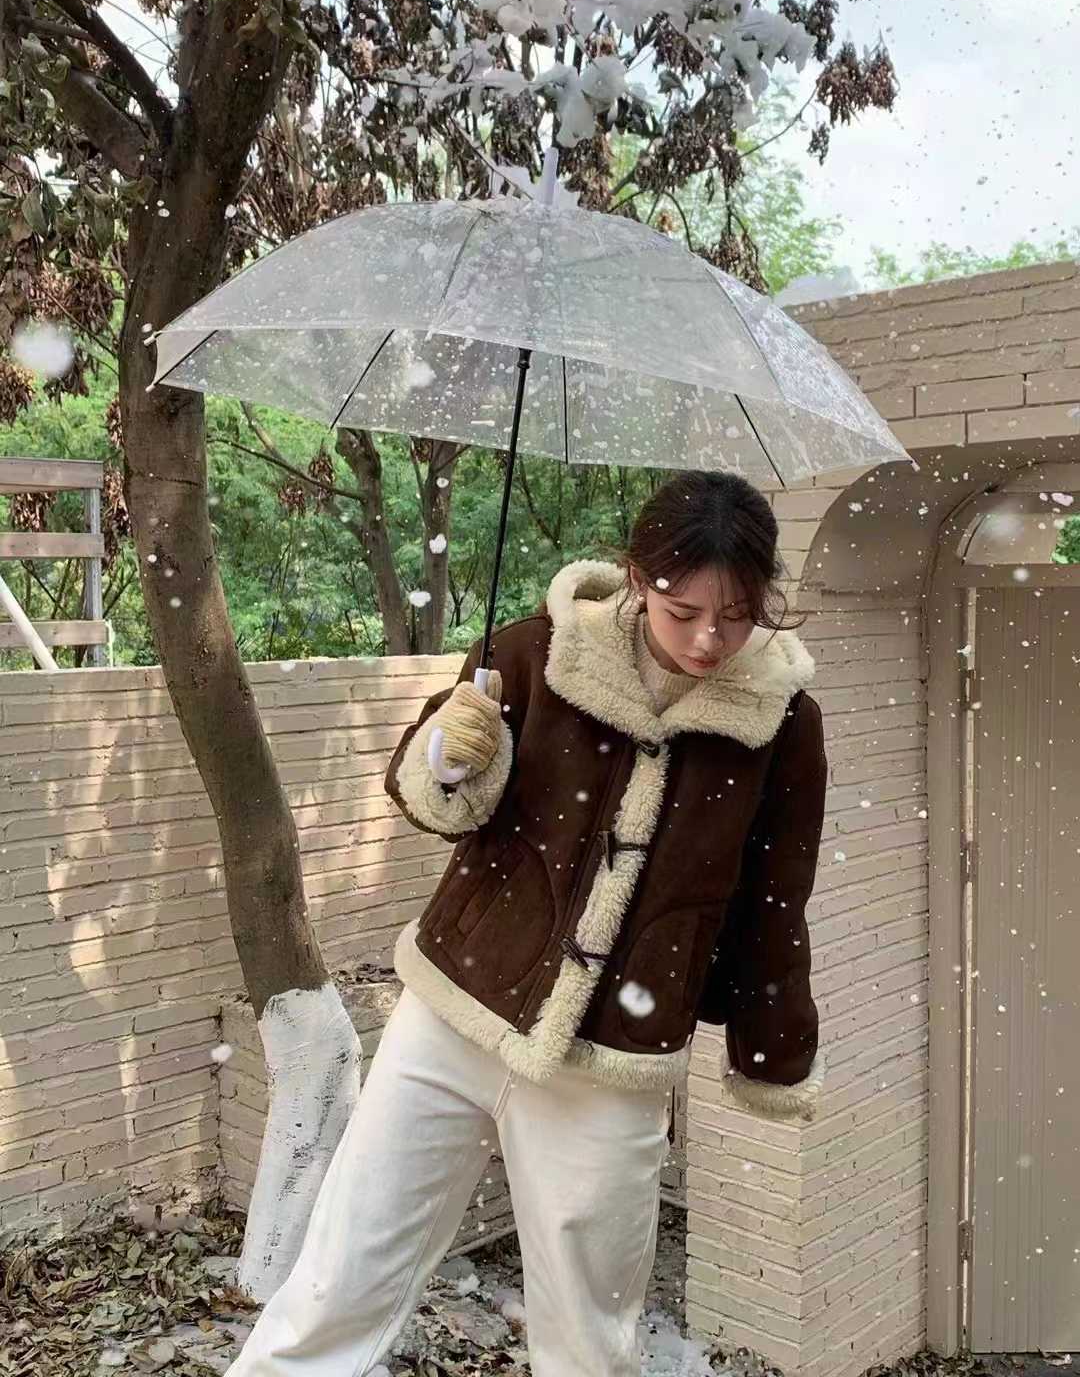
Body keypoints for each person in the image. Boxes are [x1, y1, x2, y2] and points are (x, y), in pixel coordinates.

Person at [227, 469, 829, 1377]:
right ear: (639, 578)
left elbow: (778, 897)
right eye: (685, 611)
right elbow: (436, 800)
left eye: (738, 616)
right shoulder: (534, 653)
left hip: (614, 1060)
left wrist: (773, 1047)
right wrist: (446, 755)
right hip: (454, 1014)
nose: (710, 639)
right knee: (340, 1278)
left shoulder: (782, 726)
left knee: (590, 1340)